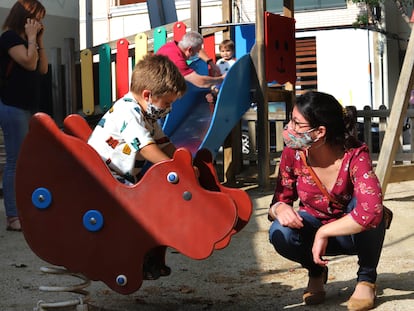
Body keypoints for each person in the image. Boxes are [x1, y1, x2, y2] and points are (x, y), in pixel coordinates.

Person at [268, 91, 388, 311]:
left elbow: (371, 212)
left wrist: (324, 232)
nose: (289, 128)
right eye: (290, 121)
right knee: (279, 232)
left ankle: (366, 279)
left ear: (320, 132)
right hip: (312, 230)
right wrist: (279, 208)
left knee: (371, 209)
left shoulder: (355, 155)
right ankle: (316, 271)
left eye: (297, 123)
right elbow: (279, 200)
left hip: (351, 235)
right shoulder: (293, 154)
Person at [88, 54, 189, 280]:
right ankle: (134, 260)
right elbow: (145, 148)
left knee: (155, 205)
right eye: (167, 103)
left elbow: (164, 143)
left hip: (121, 178)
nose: (169, 108)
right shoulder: (127, 111)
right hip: (101, 178)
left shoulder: (148, 115)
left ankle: (150, 258)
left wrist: (184, 163)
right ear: (148, 95)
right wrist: (173, 169)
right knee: (141, 213)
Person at [0, 0, 48, 232]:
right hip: (12, 105)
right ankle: (12, 216)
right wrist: (31, 38)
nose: (39, 23)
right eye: (36, 18)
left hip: (27, 106)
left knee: (25, 162)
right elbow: (29, 64)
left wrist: (38, 41)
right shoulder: (9, 38)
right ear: (24, 17)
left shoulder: (28, 40)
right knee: (14, 161)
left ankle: (22, 211)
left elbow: (43, 69)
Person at [156, 30, 224, 89]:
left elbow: (200, 51)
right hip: (157, 90)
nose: (198, 53)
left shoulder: (171, 45)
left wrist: (211, 63)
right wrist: (221, 79)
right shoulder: (177, 61)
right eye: (196, 51)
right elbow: (201, 82)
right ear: (190, 50)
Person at [206, 39, 236, 106]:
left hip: (229, 82)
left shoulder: (233, 62)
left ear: (233, 51)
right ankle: (213, 100)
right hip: (220, 81)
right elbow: (216, 72)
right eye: (222, 51)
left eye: (228, 51)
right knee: (215, 89)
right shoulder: (219, 61)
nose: (225, 53)